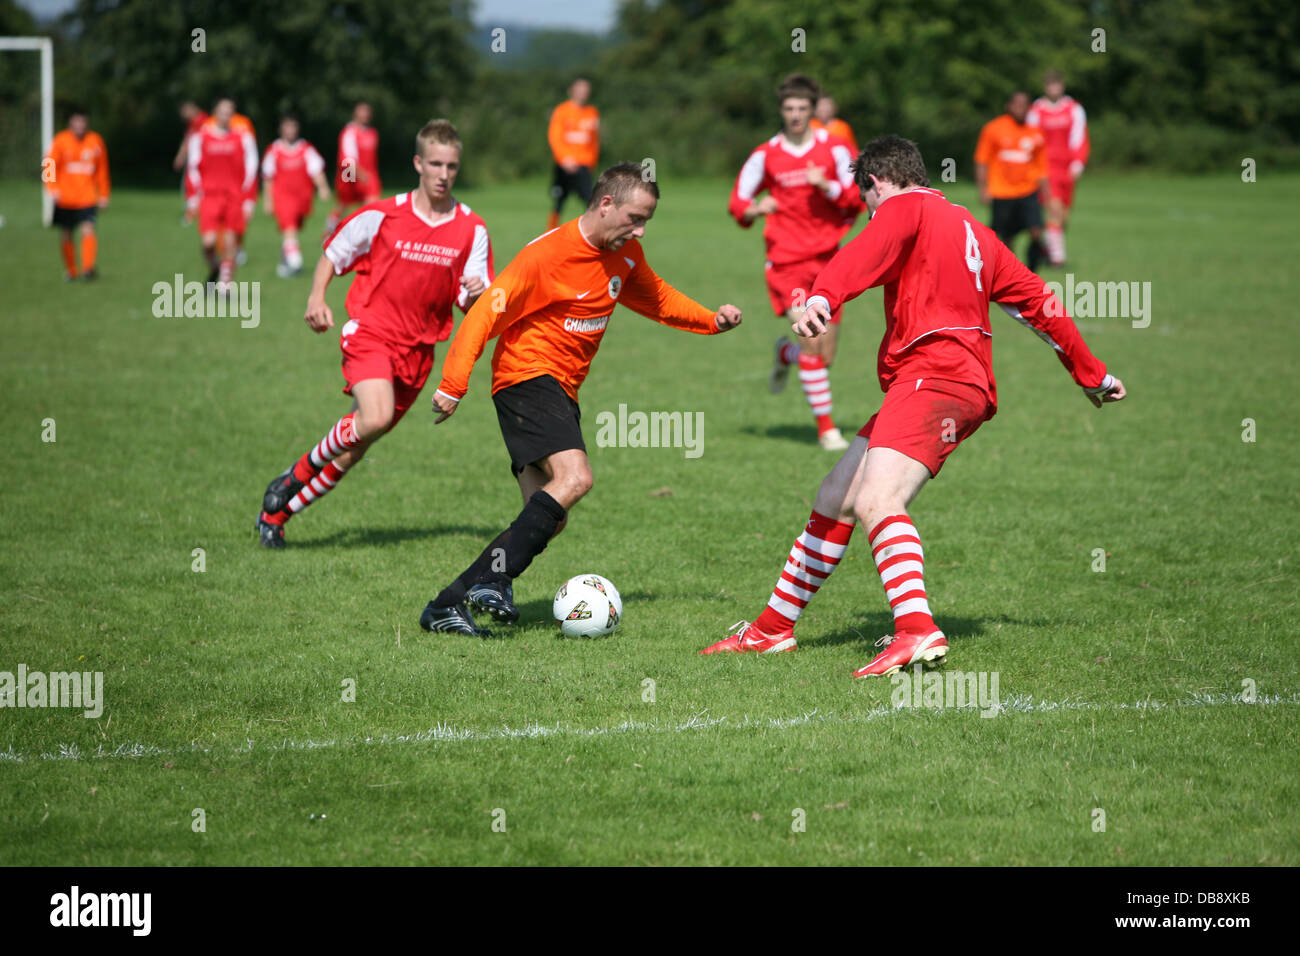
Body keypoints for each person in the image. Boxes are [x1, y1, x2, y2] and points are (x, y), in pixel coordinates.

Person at [701, 135, 1126, 677]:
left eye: (866, 201)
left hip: (937, 378)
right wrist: (1093, 375)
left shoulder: (902, 207)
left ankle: (916, 630)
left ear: (876, 183)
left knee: (879, 498)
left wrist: (822, 299)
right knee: (837, 494)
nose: (869, 213)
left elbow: (858, 255)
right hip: (945, 382)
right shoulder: (976, 230)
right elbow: (1040, 304)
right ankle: (771, 630)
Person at [419, 162, 742, 635]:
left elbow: (658, 299)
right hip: (526, 376)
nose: (641, 230)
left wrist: (712, 320)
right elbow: (485, 313)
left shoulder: (626, 254)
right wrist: (453, 383)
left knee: (552, 517)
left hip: (561, 390)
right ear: (605, 204)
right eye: (635, 218)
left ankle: (447, 604)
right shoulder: (547, 254)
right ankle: (494, 580)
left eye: (647, 220)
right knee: (576, 477)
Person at [256, 120, 491, 548]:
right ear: (418, 163)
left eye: (451, 166)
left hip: (419, 350)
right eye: (435, 163)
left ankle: (277, 512)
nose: (443, 173)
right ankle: (296, 474)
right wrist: (316, 297)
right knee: (375, 416)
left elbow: (470, 299)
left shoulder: (472, 229)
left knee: (358, 445)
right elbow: (333, 250)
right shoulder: (384, 214)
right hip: (371, 331)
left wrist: (476, 294)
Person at [728, 73, 864, 451]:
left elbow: (857, 197)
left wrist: (827, 186)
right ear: (781, 111)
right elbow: (737, 202)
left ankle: (783, 354)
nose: (795, 115)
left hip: (829, 261)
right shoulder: (766, 154)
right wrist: (757, 208)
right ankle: (827, 430)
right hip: (786, 263)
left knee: (826, 355)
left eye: (802, 108)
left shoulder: (835, 149)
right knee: (813, 344)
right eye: (789, 109)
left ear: (813, 109)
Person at [187, 97, 258, 289]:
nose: (226, 115)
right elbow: (193, 168)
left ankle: (226, 284)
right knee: (208, 242)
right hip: (209, 195)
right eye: (223, 111)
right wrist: (193, 198)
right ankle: (215, 267)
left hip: (233, 195)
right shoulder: (201, 137)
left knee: (230, 240)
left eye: (230, 112)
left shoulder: (243, 138)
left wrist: (249, 200)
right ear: (214, 113)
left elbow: (251, 169)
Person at [975, 91, 1049, 270]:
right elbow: (982, 161)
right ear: (1008, 106)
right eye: (1017, 104)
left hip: (1028, 190)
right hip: (1002, 192)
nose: (1020, 108)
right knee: (1006, 236)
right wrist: (983, 188)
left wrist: (1048, 195)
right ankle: (1010, 271)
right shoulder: (993, 129)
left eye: (1024, 104)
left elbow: (1042, 167)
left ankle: (1033, 270)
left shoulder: (1036, 133)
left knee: (1036, 231)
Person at [1027, 70, 1090, 267]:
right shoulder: (1036, 111)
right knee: (1054, 209)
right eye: (1050, 84)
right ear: (1045, 87)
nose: (1054, 88)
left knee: (1064, 216)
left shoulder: (1074, 109)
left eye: (1057, 84)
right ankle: (1057, 259)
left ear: (1062, 86)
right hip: (1046, 168)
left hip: (1067, 168)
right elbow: (1031, 139)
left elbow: (1080, 136)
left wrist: (1078, 161)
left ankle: (1047, 247)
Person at [261, 114, 331, 277]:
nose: (290, 130)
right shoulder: (274, 150)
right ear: (281, 129)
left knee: (292, 228)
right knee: (289, 227)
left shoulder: (305, 149)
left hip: (302, 197)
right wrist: (267, 200)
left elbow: (316, 170)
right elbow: (267, 177)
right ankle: (295, 261)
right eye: (287, 126)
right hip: (282, 196)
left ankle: (284, 263)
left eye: (293, 126)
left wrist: (323, 188)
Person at [44, 108, 109, 281]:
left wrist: (103, 194)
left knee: (88, 229)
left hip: (87, 197)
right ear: (70, 122)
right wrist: (52, 188)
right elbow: (48, 164)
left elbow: (102, 170)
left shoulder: (95, 141)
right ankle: (71, 270)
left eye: (83, 121)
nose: (80, 125)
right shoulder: (60, 140)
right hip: (66, 198)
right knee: (66, 233)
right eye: (77, 121)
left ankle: (88, 269)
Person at [546, 78, 600, 231]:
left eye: (586, 90)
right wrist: (564, 159)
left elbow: (594, 141)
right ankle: (550, 231)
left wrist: (592, 163)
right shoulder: (562, 111)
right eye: (580, 90)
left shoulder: (592, 113)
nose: (583, 93)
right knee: (559, 199)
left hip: (584, 164)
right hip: (565, 164)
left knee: (590, 200)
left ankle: (592, 231)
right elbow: (555, 137)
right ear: (572, 91)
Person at [324, 101, 380, 237]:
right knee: (343, 204)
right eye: (362, 111)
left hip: (369, 175)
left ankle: (365, 237)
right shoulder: (349, 132)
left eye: (367, 111)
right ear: (355, 113)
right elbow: (347, 158)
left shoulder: (373, 133)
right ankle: (329, 232)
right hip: (350, 173)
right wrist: (358, 175)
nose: (365, 114)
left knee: (372, 204)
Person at [173, 100, 208, 225]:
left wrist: (180, 156)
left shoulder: (202, 121)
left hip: (199, 160)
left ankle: (192, 213)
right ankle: (193, 211)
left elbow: (189, 141)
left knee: (191, 185)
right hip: (197, 159)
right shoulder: (194, 122)